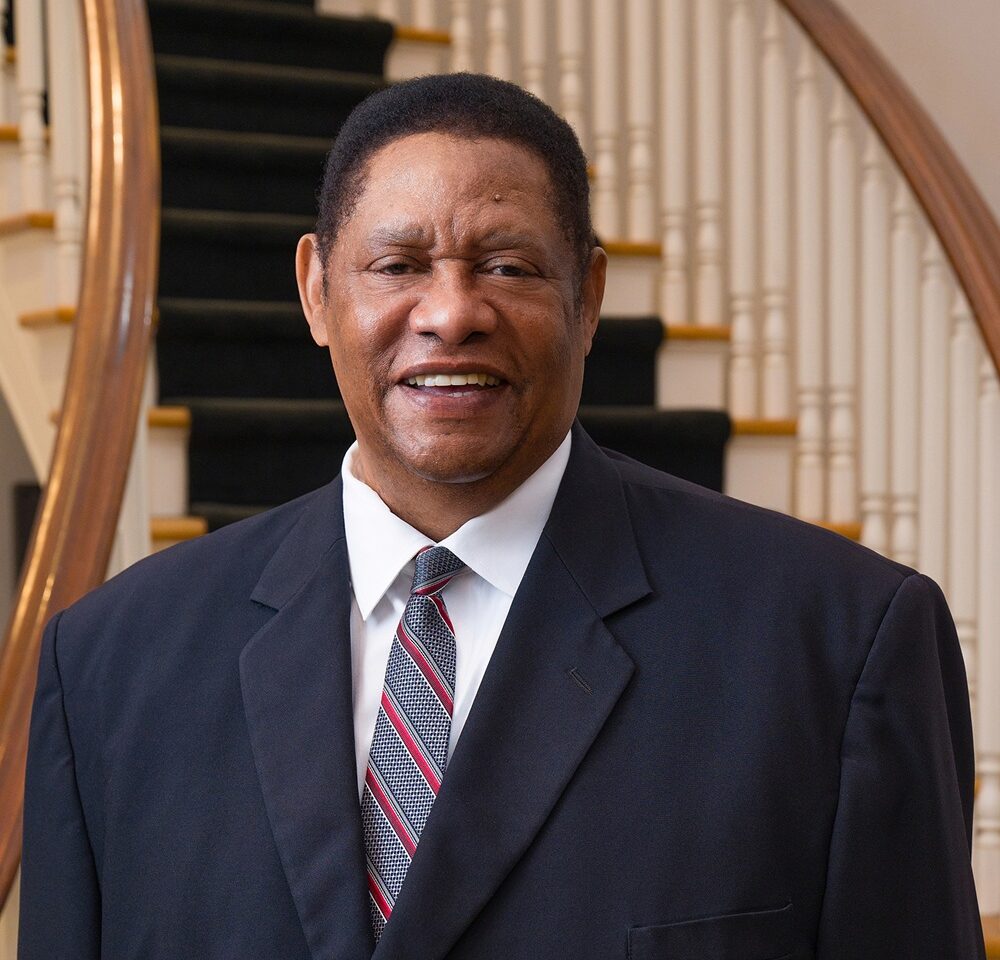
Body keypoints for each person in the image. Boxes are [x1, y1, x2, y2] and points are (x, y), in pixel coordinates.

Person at [19, 73, 985, 959]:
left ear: (588, 298)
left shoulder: (836, 645)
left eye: (509, 267)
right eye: (397, 264)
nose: (451, 313)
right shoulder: (108, 665)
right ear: (316, 292)